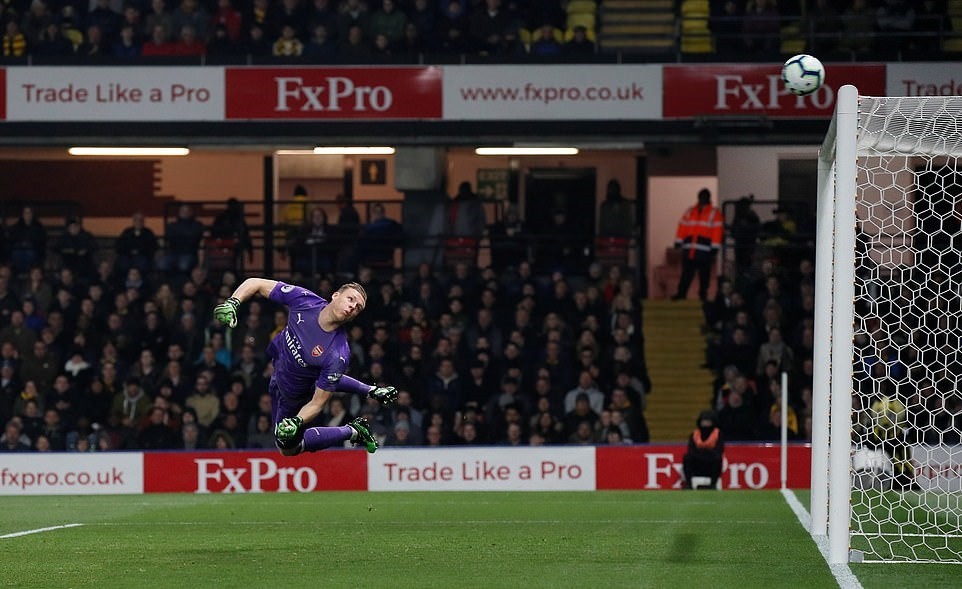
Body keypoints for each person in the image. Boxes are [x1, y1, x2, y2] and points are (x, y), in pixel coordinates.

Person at [213, 278, 398, 456]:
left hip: (295, 397)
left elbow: (318, 403)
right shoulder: (304, 300)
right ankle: (369, 393)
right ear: (335, 295)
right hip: (280, 372)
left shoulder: (338, 354)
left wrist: (297, 421)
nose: (352, 307)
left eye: (358, 308)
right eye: (350, 299)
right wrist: (233, 303)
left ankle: (352, 431)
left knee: (286, 448)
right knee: (317, 373)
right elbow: (255, 283)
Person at [672, 188, 723, 302]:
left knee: (704, 275)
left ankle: (703, 295)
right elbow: (682, 227)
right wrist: (678, 241)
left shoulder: (714, 213)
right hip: (689, 248)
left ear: (708, 198)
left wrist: (715, 247)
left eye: (704, 196)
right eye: (701, 196)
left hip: (704, 250)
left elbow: (717, 230)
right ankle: (681, 293)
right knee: (686, 273)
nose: (702, 199)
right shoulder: (690, 211)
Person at [159, 203, 205, 277]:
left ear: (191, 212)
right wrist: (184, 236)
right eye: (183, 211)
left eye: (187, 211)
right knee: (162, 264)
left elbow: (194, 239)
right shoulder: (172, 225)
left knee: (183, 265)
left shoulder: (197, 225)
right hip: (173, 253)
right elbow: (170, 238)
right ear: (179, 212)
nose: (185, 213)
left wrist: (181, 237)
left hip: (189, 253)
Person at [682, 410, 725, 489]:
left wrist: (703, 451)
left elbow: (719, 451)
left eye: (708, 422)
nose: (705, 424)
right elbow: (691, 450)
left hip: (711, 465)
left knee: (718, 459)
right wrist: (704, 452)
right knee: (687, 458)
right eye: (704, 422)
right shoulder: (695, 434)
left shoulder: (718, 434)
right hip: (697, 465)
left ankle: (713, 484)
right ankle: (689, 485)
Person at [115, 212, 159, 279]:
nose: (138, 222)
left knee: (142, 264)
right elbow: (119, 245)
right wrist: (129, 251)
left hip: (143, 256)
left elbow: (154, 246)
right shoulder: (127, 232)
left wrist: (140, 251)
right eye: (136, 220)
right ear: (133, 221)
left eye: (141, 220)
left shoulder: (148, 232)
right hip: (127, 256)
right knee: (122, 264)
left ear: (144, 221)